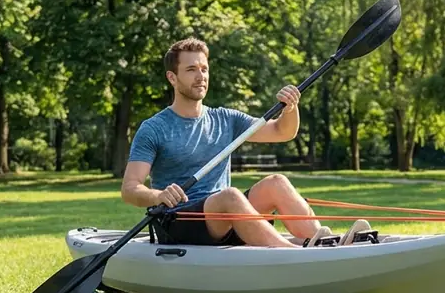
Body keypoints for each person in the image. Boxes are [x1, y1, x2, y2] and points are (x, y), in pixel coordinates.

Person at [121, 38, 371, 248]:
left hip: (226, 219)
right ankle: (293, 255)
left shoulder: (225, 118)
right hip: (178, 222)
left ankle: (323, 245)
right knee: (230, 195)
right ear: (172, 77)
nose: (200, 77)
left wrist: (291, 108)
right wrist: (159, 195)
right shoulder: (154, 128)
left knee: (276, 183)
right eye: (191, 70)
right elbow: (130, 189)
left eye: (204, 69)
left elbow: (282, 132)